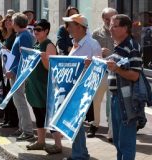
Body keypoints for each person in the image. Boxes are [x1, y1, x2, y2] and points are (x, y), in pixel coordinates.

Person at [62, 13, 102, 160]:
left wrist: (90, 65)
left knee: (76, 123)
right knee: (75, 123)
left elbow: (99, 69)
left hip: (83, 90)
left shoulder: (92, 44)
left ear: (79, 27)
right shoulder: (76, 42)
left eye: (70, 25)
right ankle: (80, 153)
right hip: (74, 88)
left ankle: (79, 155)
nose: (67, 28)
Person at [106, 14, 143, 160]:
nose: (110, 29)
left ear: (125, 28)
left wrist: (116, 69)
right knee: (118, 140)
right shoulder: (119, 46)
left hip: (126, 99)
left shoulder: (132, 46)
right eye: (110, 25)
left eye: (114, 26)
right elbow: (116, 68)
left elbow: (135, 75)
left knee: (126, 141)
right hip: (116, 97)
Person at [25, 19, 63, 154]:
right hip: (35, 87)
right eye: (34, 29)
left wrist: (44, 58)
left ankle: (58, 144)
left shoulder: (49, 45)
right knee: (38, 114)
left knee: (50, 115)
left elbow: (51, 68)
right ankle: (41, 141)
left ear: (46, 31)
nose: (36, 32)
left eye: (39, 29)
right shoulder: (37, 44)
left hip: (45, 87)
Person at [5, 13, 34, 141]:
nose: (11, 24)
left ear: (16, 24)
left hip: (18, 74)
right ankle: (22, 127)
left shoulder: (25, 36)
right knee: (17, 102)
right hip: (15, 73)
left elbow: (25, 57)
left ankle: (27, 131)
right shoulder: (21, 35)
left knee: (20, 102)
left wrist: (14, 70)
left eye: (12, 21)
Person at [89, 7, 117, 140]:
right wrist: (99, 51)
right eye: (107, 18)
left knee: (112, 102)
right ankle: (95, 124)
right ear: (103, 19)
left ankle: (111, 131)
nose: (109, 21)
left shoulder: (119, 33)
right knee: (96, 100)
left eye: (112, 18)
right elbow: (90, 52)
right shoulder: (96, 34)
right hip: (100, 71)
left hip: (115, 71)